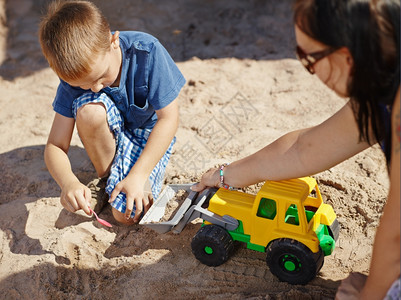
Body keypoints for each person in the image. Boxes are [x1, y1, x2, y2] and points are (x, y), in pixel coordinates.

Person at [192, 0, 400, 298]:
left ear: (346, 56)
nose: (310, 70)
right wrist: (225, 174)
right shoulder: (382, 84)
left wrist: (372, 294)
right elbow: (305, 148)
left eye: (308, 57)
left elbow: (397, 230)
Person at [39, 1, 185, 224]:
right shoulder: (75, 74)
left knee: (126, 215)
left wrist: (138, 175)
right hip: (109, 132)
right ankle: (107, 178)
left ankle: (125, 178)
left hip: (149, 136)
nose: (96, 88)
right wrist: (68, 182)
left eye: (100, 77)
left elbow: (169, 119)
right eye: (85, 86)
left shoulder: (147, 51)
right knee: (88, 111)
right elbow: (55, 146)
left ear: (113, 41)